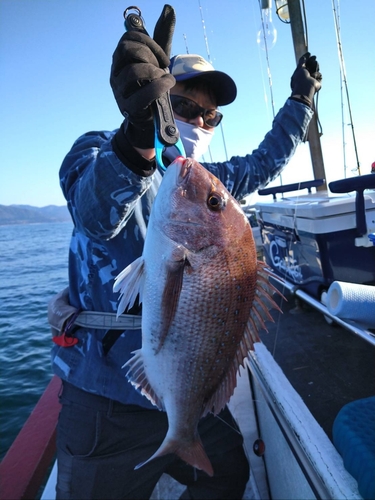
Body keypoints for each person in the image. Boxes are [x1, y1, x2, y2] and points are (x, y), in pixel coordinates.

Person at [50, 5, 322, 499]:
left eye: (210, 114)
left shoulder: (207, 184)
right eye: (184, 105)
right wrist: (136, 146)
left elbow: (264, 161)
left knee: (230, 473)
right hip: (105, 401)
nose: (198, 119)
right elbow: (94, 214)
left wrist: (300, 103)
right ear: (155, 96)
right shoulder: (98, 151)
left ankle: (184, 433)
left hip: (184, 394)